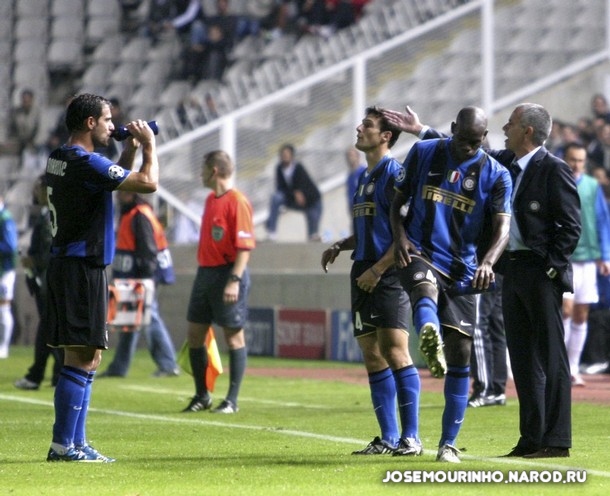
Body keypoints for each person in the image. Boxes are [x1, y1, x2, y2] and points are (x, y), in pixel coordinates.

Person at [387, 102, 581, 459]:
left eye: (511, 124)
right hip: (509, 270)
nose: (504, 129)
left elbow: (571, 226)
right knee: (521, 357)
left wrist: (552, 268)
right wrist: (421, 130)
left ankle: (557, 440)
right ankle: (530, 438)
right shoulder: (504, 162)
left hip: (539, 272)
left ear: (527, 131)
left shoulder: (554, 169)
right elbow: (460, 147)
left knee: (551, 356)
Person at [386, 106, 512, 463]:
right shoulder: (424, 152)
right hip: (419, 251)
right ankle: (429, 330)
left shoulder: (497, 174)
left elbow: (503, 228)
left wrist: (488, 262)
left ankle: (447, 444)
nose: (469, 147)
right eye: (463, 139)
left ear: (484, 138)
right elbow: (397, 202)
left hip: (463, 269)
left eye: (476, 142)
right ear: (452, 128)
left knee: (461, 354)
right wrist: (399, 237)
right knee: (423, 288)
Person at [45, 93, 159, 462]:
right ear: (90, 123)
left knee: (89, 356)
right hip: (81, 266)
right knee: (81, 357)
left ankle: (76, 443)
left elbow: (109, 180)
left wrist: (128, 151)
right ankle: (63, 445)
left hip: (70, 264)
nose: (113, 126)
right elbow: (147, 183)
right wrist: (149, 146)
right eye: (108, 120)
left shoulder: (61, 157)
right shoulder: (85, 162)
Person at [321, 106, 421, 457]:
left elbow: (407, 234)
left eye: (367, 125)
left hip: (388, 272)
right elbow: (374, 227)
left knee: (395, 350)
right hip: (362, 269)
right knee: (372, 354)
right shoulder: (364, 176)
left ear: (386, 136)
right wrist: (342, 245)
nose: (359, 129)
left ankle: (411, 438)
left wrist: (378, 270)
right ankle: (388, 438)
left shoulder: (395, 175)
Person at [182, 150, 255, 414]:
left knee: (233, 336)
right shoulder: (210, 200)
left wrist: (234, 280)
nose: (200, 174)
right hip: (205, 273)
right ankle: (202, 395)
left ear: (213, 171)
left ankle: (232, 400)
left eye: (203, 169)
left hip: (228, 273)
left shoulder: (237, 201)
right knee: (195, 334)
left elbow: (244, 248)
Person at [100, 190, 179, 378]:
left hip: (140, 278)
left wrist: (145, 281)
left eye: (121, 192)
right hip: (132, 277)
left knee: (150, 319)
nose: (118, 195)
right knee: (129, 322)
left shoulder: (140, 215)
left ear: (131, 193)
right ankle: (119, 368)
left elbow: (148, 251)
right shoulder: (131, 213)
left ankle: (168, 364)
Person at [561, 142, 610, 386]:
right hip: (565, 256)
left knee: (581, 313)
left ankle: (572, 367)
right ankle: (559, 366)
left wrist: (605, 255)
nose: (576, 164)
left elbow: (601, 220)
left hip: (588, 257)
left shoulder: (591, 185)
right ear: (565, 158)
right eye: (573, 159)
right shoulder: (557, 180)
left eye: (580, 160)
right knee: (565, 310)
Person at [14, 174, 64, 388]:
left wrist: (33, 260)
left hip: (49, 281)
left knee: (48, 329)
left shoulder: (52, 216)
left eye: (39, 187)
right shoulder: (46, 214)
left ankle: (41, 375)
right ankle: (52, 374)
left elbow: (52, 251)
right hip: (46, 280)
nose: (35, 191)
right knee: (49, 329)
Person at [265, 143, 322, 242]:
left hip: (312, 201)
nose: (285, 156)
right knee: (276, 197)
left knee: (312, 234)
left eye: (287, 154)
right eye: (283, 154)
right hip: (292, 198)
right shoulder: (279, 168)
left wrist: (300, 192)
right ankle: (272, 232)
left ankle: (313, 236)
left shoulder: (298, 167)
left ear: (292, 155)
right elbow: (280, 187)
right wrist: (294, 193)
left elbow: (305, 184)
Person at [468, 274, 507, 408]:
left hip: (484, 271)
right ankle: (497, 390)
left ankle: (484, 390)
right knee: (495, 327)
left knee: (477, 325)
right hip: (498, 270)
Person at [0, 196, 18, 359]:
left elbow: (11, 246)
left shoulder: (5, 218)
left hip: (4, 271)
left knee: (3, 306)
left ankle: (3, 347)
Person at [345, 146, 366, 215]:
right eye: (348, 156)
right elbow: (350, 195)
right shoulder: (349, 177)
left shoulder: (364, 172)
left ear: (357, 156)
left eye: (352, 155)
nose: (350, 158)